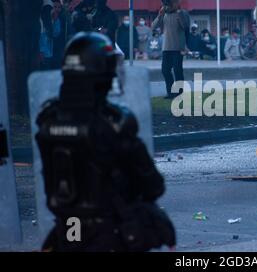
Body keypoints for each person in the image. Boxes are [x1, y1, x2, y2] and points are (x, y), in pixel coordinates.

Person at [36, 32, 175, 252]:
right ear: (102, 75)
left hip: (67, 229)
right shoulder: (114, 123)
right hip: (107, 234)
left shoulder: (48, 119)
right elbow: (153, 186)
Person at [151, 0, 190, 99]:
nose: (167, 6)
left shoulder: (183, 13)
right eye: (166, 4)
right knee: (165, 71)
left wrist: (178, 11)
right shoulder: (165, 14)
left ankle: (179, 93)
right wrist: (159, 15)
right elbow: (153, 27)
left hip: (178, 48)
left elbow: (185, 26)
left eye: (169, 3)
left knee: (178, 71)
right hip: (166, 48)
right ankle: (170, 93)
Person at [39, 0, 61, 70]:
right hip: (42, 55)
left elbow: (56, 33)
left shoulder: (52, 19)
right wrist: (41, 51)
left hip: (49, 54)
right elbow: (39, 38)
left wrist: (55, 21)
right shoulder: (40, 20)